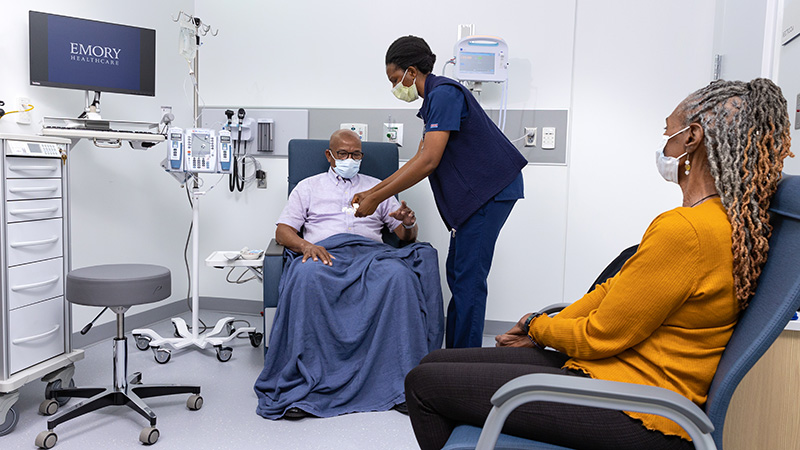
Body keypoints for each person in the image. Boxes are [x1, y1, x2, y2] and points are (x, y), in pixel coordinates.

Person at [404, 78, 794, 450]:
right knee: (439, 359)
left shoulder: (688, 230)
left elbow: (599, 335)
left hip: (638, 410)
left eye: (668, 134)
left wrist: (540, 326)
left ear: (692, 138)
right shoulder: (720, 222)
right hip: (623, 379)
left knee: (424, 383)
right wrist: (538, 329)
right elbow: (612, 292)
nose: (664, 146)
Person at [254, 129, 444, 420]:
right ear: (329, 155)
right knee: (307, 278)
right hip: (324, 253)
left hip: (371, 256)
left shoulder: (378, 188)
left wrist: (408, 222)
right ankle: (303, 384)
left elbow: (404, 236)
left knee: (399, 276)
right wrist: (306, 246)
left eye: (356, 154)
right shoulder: (307, 187)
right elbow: (283, 231)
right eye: (343, 154)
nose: (350, 159)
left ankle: (400, 383)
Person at [352, 35, 528, 349]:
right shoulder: (434, 100)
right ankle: (455, 358)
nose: (395, 86)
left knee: (468, 281)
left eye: (395, 79)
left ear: (411, 71)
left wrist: (376, 198)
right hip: (479, 196)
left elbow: (429, 161)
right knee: (459, 275)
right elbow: (420, 157)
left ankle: (464, 367)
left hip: (490, 193)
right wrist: (372, 191)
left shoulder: (444, 94)